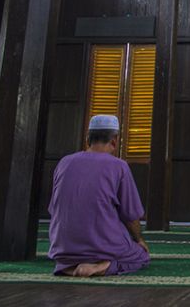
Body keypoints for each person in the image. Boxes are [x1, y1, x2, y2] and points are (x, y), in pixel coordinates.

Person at [48, 115, 150, 277]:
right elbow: (131, 216)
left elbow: (54, 208)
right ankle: (99, 267)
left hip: (63, 248)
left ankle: (68, 268)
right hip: (102, 247)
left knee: (66, 260)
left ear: (88, 139)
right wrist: (139, 240)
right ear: (115, 141)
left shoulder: (64, 163)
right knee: (140, 255)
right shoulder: (119, 166)